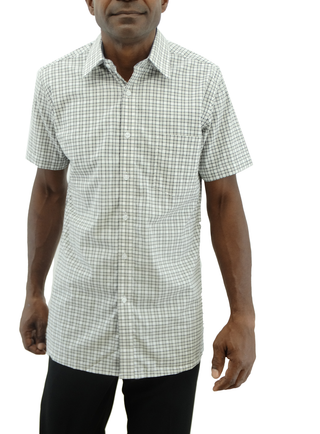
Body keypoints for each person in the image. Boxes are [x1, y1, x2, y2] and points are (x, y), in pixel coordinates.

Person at [19, 0, 256, 433]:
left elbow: (224, 200)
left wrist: (242, 315)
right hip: (79, 323)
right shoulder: (55, 80)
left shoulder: (203, 80)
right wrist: (34, 291)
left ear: (165, 1)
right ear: (89, 2)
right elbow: (49, 190)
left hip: (169, 329)